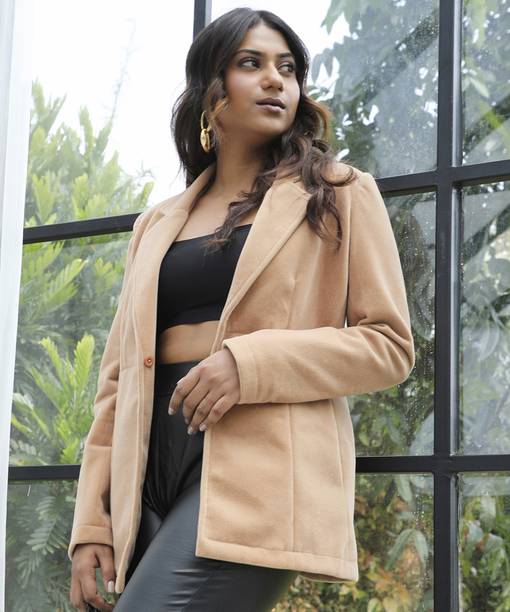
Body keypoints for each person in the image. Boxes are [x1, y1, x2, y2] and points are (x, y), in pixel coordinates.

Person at [68, 7, 415, 611]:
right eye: (251, 63)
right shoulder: (157, 223)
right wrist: (92, 524)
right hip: (148, 469)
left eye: (288, 68)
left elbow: (388, 345)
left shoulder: (337, 192)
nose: (275, 79)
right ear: (211, 90)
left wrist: (248, 364)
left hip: (261, 473)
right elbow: (116, 382)